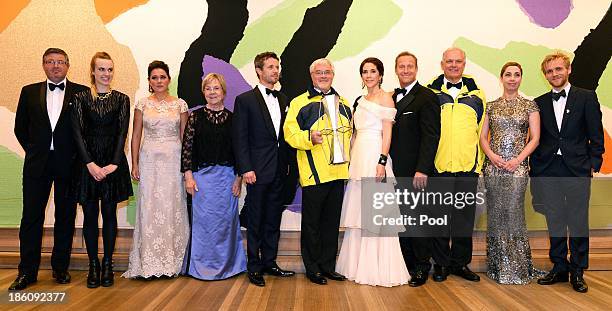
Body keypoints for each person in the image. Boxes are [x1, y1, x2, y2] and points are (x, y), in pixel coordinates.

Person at [10, 48, 88, 291]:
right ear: (43, 65)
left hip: (69, 164)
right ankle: (27, 272)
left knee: (65, 217)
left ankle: (60, 268)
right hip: (37, 164)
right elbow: (20, 128)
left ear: (68, 65)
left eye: (60, 62)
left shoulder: (82, 92)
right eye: (50, 62)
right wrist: (36, 150)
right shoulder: (29, 91)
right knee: (32, 218)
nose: (55, 66)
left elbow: (85, 131)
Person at [530, 52, 604, 293]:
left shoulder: (586, 97)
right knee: (555, 219)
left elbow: (596, 132)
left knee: (578, 220)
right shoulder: (538, 102)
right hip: (549, 169)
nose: (554, 74)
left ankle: (578, 270)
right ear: (545, 75)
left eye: (558, 69)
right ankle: (559, 266)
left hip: (577, 169)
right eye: (550, 71)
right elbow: (536, 139)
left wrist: (595, 161)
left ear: (568, 69)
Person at [335, 57, 409, 287]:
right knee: (359, 213)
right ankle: (356, 265)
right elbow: (355, 133)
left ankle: (379, 269)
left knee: (377, 215)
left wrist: (381, 160)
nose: (368, 75)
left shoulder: (386, 97)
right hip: (359, 157)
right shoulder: (359, 100)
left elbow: (388, 133)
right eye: (365, 71)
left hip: (376, 156)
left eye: (373, 71)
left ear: (380, 74)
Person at [284, 58, 352, 285]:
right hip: (314, 175)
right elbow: (289, 134)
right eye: (319, 72)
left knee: (331, 224)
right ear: (311, 76)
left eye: (327, 72)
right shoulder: (299, 103)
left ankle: (328, 266)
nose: (323, 76)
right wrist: (308, 138)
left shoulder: (344, 102)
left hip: (339, 174)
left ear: (333, 74)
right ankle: (313, 268)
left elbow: (350, 135)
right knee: (312, 225)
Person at [122, 61, 190, 279]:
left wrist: (186, 167)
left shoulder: (180, 105)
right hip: (149, 161)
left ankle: (173, 261)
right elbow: (136, 135)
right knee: (150, 208)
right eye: (154, 77)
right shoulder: (142, 104)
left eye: (162, 77)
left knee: (172, 207)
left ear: (169, 79)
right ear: (149, 81)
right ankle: (148, 263)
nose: (159, 81)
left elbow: (185, 137)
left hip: (173, 162)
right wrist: (134, 163)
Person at [71, 52, 133, 288]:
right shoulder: (81, 98)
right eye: (101, 69)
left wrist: (114, 164)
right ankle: (93, 266)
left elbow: (121, 133)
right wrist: (90, 164)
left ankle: (108, 265)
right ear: (93, 72)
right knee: (89, 217)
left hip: (112, 165)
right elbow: (77, 134)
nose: (106, 74)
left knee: (109, 215)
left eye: (109, 70)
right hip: (87, 166)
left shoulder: (121, 99)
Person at [232, 52, 295, 287]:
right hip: (256, 172)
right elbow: (240, 138)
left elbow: (284, 137)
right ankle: (254, 266)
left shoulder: (283, 98)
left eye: (277, 66)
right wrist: (246, 168)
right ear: (259, 71)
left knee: (273, 219)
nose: (275, 70)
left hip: (280, 170)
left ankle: (270, 262)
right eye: (270, 67)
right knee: (256, 220)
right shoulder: (245, 100)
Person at [426, 47, 485, 283]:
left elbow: (482, 131)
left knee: (463, 220)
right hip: (439, 167)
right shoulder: (430, 93)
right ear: (442, 64)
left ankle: (460, 264)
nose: (453, 65)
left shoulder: (478, 94)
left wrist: (477, 163)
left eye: (457, 61)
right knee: (439, 220)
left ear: (464, 64)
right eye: (449, 61)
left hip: (467, 168)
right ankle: (440, 264)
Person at [480, 62, 542, 284]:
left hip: (518, 169)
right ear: (501, 78)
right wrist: (493, 157)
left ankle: (518, 267)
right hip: (493, 168)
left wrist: (517, 160)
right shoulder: (491, 106)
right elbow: (483, 137)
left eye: (517, 75)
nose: (512, 78)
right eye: (508, 74)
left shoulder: (530, 106)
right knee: (496, 216)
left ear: (521, 78)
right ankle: (498, 267)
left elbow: (535, 138)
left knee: (514, 215)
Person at [181, 73, 246, 280]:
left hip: (228, 180)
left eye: (216, 88)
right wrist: (188, 177)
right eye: (208, 88)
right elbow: (187, 150)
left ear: (223, 92)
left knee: (227, 223)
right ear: (203, 92)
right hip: (202, 181)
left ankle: (229, 266)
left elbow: (239, 151)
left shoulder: (234, 118)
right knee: (205, 225)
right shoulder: (195, 117)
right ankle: (202, 267)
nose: (212, 92)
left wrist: (238, 179)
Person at [389, 51, 441, 287]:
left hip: (415, 173)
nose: (406, 70)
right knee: (400, 220)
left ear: (416, 69)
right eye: (402, 66)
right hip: (393, 171)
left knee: (418, 220)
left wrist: (423, 169)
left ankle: (421, 267)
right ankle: (406, 265)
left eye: (410, 66)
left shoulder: (427, 96)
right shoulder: (390, 97)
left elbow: (431, 137)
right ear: (396, 69)